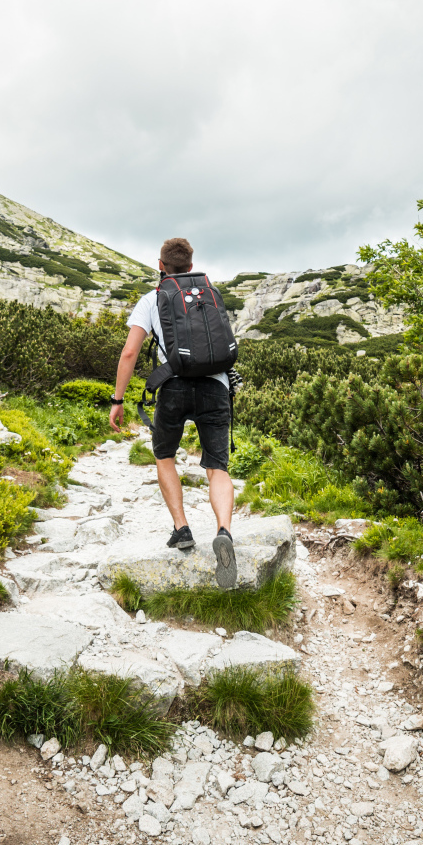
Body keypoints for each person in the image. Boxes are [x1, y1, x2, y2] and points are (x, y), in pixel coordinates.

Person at [109, 237, 237, 588]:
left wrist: (118, 400)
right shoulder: (209, 294)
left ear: (161, 265)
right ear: (191, 267)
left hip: (174, 387)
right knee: (217, 466)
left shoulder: (152, 299)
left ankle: (182, 529)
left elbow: (129, 353)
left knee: (164, 454)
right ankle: (223, 530)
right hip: (215, 386)